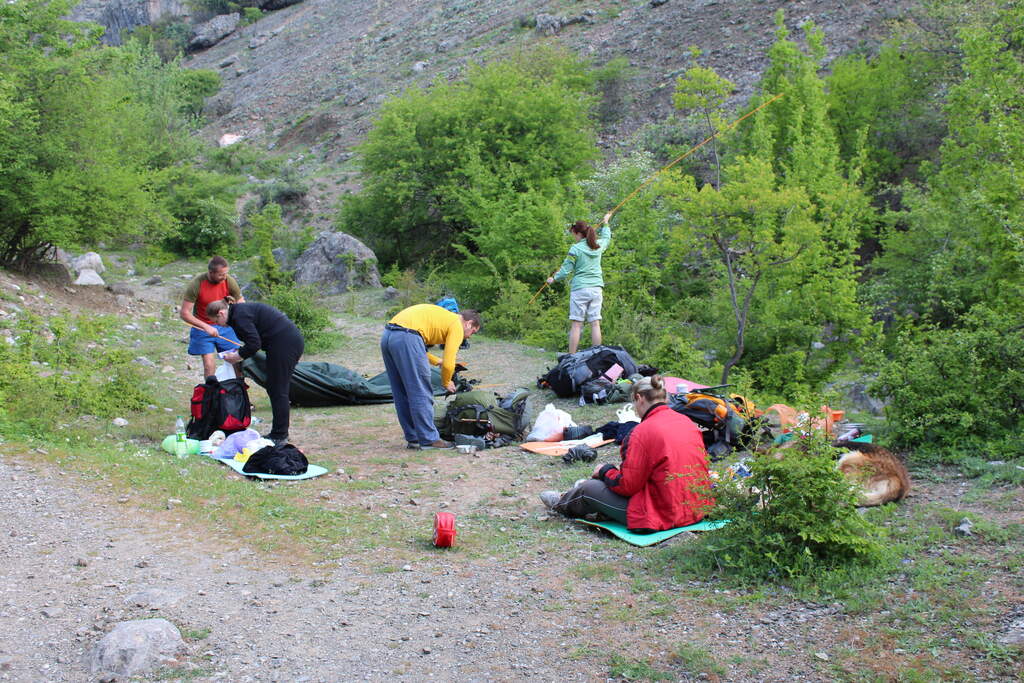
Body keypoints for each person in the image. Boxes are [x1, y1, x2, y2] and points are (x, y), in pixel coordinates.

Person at [539, 375, 713, 533]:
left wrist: (604, 471)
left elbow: (627, 486)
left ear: (639, 398)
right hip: (696, 506)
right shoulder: (686, 422)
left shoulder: (642, 432)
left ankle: (561, 503)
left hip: (662, 513)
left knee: (589, 489)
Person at [381, 303, 481, 450]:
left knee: (401, 392)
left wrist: (436, 361)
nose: (469, 336)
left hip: (389, 336)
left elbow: (417, 346)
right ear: (468, 323)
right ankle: (429, 439)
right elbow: (448, 364)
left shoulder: (445, 318)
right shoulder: (457, 325)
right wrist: (446, 382)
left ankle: (414, 437)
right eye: (472, 332)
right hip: (407, 337)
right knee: (420, 391)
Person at [207, 298, 303, 447]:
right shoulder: (237, 313)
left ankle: (280, 435)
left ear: (221, 313)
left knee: (278, 389)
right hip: (279, 343)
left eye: (216, 321)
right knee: (274, 387)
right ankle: (278, 432)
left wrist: (237, 356)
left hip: (286, 343)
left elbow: (254, 343)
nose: (217, 325)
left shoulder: (239, 316)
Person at [546, 212, 613, 354]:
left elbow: (565, 270)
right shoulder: (598, 246)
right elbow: (607, 238)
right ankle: (597, 355)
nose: (573, 237)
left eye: (573, 234)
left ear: (577, 233)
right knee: (595, 323)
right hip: (596, 289)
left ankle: (571, 356)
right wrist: (605, 222)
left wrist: (553, 278)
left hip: (580, 289)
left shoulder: (575, 249)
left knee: (577, 324)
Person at [180, 256, 245, 379]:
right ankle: (211, 394)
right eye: (221, 274)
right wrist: (206, 327)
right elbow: (184, 313)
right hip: (203, 327)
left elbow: (240, 302)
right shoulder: (197, 284)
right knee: (209, 365)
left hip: (226, 325)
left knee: (237, 362)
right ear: (211, 273)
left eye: (226, 273)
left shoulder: (228, 281)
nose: (224, 277)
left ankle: (239, 392)